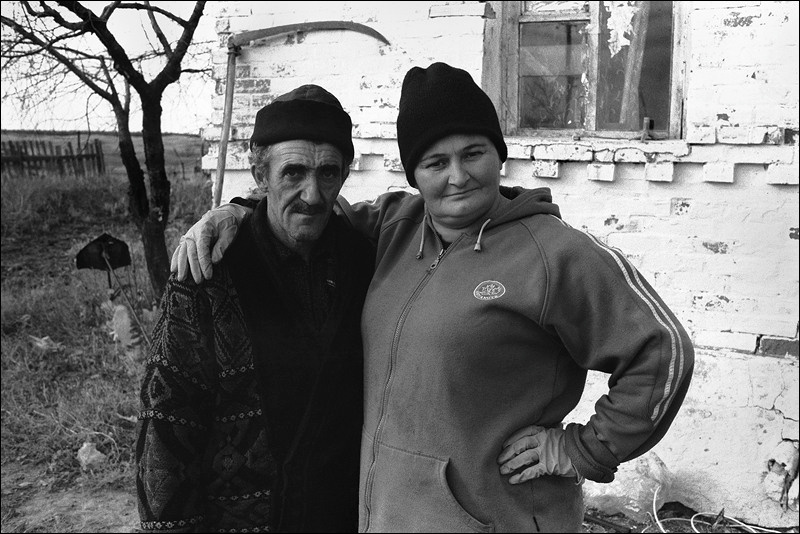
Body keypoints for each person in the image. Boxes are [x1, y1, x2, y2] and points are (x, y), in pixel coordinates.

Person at [173, 62, 695, 533]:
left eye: (474, 154)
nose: (457, 176)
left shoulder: (554, 254)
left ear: (498, 154)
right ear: (414, 174)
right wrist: (235, 213)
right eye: (435, 162)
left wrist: (581, 449)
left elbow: (662, 350)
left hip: (498, 519)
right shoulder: (391, 228)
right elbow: (305, 215)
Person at [135, 84, 376, 532]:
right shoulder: (208, 273)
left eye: (328, 173)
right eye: (294, 173)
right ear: (260, 175)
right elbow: (167, 434)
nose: (313, 194)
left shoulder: (367, 263)